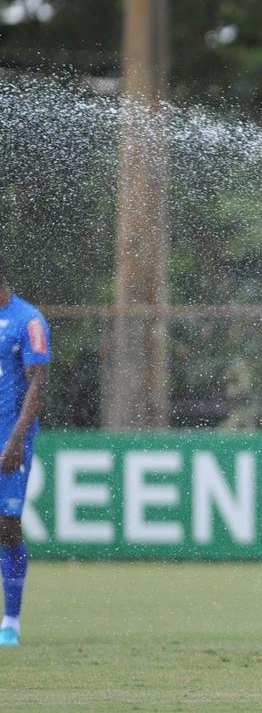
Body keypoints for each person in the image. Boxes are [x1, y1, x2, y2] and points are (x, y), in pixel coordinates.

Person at [0, 259, 49, 648]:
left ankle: (11, 621)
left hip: (9, 436)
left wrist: (15, 439)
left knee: (6, 525)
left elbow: (37, 385)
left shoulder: (29, 320)